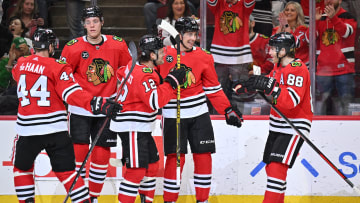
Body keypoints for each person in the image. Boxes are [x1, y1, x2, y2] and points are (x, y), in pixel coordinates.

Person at [11, 28, 120, 203]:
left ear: (34, 46)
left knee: (22, 169)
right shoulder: (58, 66)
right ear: (52, 46)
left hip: (27, 130)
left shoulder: (21, 63)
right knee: (68, 173)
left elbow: (16, 74)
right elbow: (71, 94)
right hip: (56, 129)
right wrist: (98, 103)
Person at [157, 17, 244, 203]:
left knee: (203, 155)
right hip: (173, 113)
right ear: (179, 35)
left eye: (195, 34)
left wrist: (227, 109)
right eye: (188, 34)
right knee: (175, 157)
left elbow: (213, 89)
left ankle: (202, 200)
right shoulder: (164, 54)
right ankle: (170, 200)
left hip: (199, 113)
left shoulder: (204, 56)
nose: (192, 38)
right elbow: (152, 82)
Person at [59, 6, 131, 202]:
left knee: (100, 158)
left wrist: (121, 93)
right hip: (81, 109)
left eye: (95, 21)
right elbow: (63, 76)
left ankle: (94, 198)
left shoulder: (117, 45)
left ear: (102, 22)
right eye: (88, 22)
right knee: (79, 156)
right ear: (83, 24)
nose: (92, 26)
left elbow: (127, 71)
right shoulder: (72, 47)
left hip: (106, 110)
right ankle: (80, 197)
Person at [234, 32, 313, 203]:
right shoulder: (278, 69)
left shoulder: (298, 68)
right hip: (277, 124)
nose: (269, 52)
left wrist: (272, 87)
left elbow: (290, 100)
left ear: (283, 51)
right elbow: (266, 85)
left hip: (294, 125)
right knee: (270, 167)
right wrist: (247, 86)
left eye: (273, 49)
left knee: (277, 168)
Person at [110, 34, 188, 203]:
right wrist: (172, 82)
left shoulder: (131, 66)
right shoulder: (146, 75)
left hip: (138, 127)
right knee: (136, 171)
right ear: (151, 55)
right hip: (132, 127)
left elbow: (119, 73)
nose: (163, 55)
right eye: (160, 51)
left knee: (152, 165)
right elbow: (155, 102)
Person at [314, 0, 357, 115]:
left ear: (340, 0)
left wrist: (333, 18)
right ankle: (319, 132)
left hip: (344, 69)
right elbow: (309, 39)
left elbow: (346, 32)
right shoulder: (320, 17)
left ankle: (347, 132)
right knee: (320, 107)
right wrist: (315, 22)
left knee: (346, 105)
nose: (329, 0)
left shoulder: (348, 16)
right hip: (323, 70)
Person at [207, 0, 255, 101]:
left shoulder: (244, 5)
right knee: (217, 92)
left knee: (241, 93)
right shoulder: (219, 4)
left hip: (240, 56)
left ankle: (240, 116)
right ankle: (218, 115)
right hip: (219, 56)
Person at [273, 1, 309, 66]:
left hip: (300, 66)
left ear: (298, 13)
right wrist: (281, 27)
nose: (289, 12)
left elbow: (297, 44)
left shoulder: (303, 29)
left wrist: (286, 26)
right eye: (287, 10)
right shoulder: (277, 29)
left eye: (292, 10)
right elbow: (272, 45)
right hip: (283, 66)